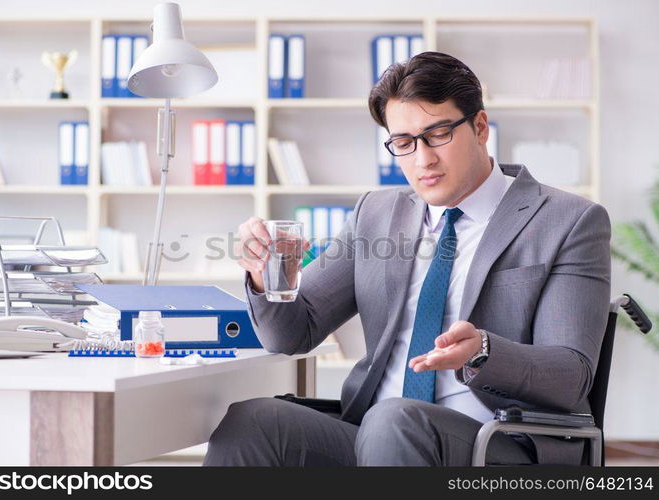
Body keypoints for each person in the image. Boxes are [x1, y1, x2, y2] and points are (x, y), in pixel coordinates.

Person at [203, 52, 611, 466]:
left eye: (438, 135)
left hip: (497, 444)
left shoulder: (567, 221)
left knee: (394, 421)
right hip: (374, 434)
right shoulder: (376, 214)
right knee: (252, 420)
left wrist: (483, 351)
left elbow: (570, 375)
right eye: (403, 142)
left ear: (481, 127)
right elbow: (292, 334)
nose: (423, 160)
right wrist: (264, 277)